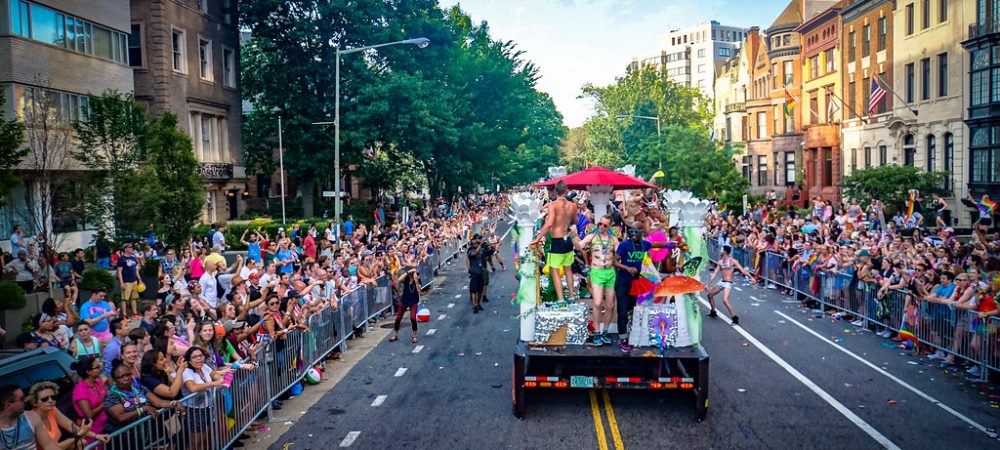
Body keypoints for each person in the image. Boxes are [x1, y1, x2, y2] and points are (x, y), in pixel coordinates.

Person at [103, 360, 180, 446]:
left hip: (143, 437)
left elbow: (158, 402)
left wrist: (174, 403)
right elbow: (121, 417)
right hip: (124, 441)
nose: (126, 378)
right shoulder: (112, 396)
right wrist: (143, 409)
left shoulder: (139, 388)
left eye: (128, 374)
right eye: (121, 376)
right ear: (114, 379)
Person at [532, 180, 579, 301]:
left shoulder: (552, 205)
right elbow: (575, 221)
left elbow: (549, 224)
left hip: (557, 240)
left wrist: (537, 238)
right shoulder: (573, 206)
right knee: (568, 269)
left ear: (555, 191)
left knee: (555, 271)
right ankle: (572, 296)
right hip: (567, 240)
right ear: (566, 191)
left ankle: (561, 299)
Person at [575, 214, 619, 346]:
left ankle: (605, 331)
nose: (601, 226)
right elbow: (579, 246)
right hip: (596, 273)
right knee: (598, 303)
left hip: (610, 273)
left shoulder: (614, 239)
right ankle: (597, 332)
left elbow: (620, 253)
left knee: (610, 305)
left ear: (609, 226)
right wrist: (573, 236)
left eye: (605, 225)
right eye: (600, 223)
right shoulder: (592, 237)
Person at [26, 381, 108, 448]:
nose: (50, 400)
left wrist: (97, 436)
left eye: (53, 397)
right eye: (45, 399)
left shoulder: (52, 410)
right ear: (35, 403)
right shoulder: (32, 419)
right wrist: (79, 434)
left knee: (81, 442)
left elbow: (72, 426)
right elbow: (52, 448)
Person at [705, 245, 756, 325]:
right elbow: (715, 273)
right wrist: (708, 284)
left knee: (725, 300)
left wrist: (751, 277)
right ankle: (713, 311)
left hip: (728, 283)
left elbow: (742, 270)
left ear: (725, 252)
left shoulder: (732, 261)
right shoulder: (720, 262)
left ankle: (735, 317)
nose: (720, 252)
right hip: (722, 282)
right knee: (709, 295)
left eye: (722, 250)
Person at [0, 384, 60, 450]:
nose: (25, 400)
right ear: (8, 406)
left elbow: (49, 445)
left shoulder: (31, 417)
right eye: (22, 399)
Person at [71, 356, 108, 447]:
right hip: (94, 432)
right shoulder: (80, 390)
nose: (100, 368)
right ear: (88, 372)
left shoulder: (99, 382)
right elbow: (89, 415)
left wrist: (106, 383)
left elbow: (108, 394)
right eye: (97, 367)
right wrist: (104, 403)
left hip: (107, 425)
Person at [390, 267, 422, 343]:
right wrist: (408, 272)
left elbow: (419, 291)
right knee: (398, 318)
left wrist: (416, 280)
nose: (413, 275)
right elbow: (399, 280)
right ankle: (395, 334)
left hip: (413, 301)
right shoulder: (407, 278)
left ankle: (414, 335)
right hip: (405, 300)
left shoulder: (418, 280)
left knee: (413, 318)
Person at [116, 243, 141, 318]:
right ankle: (124, 315)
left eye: (131, 247)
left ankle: (135, 313)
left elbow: (136, 270)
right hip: (126, 281)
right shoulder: (122, 259)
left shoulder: (133, 258)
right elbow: (119, 271)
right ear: (125, 249)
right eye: (129, 247)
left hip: (134, 281)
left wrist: (139, 279)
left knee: (133, 298)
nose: (131, 248)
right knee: (124, 299)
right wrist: (121, 283)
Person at [466, 235, 488, 313]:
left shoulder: (481, 250)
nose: (476, 244)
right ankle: (474, 305)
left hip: (480, 272)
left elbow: (485, 257)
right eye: (474, 244)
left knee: (480, 290)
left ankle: (478, 304)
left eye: (477, 243)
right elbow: (474, 254)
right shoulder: (470, 251)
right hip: (474, 272)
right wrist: (469, 270)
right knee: (473, 290)